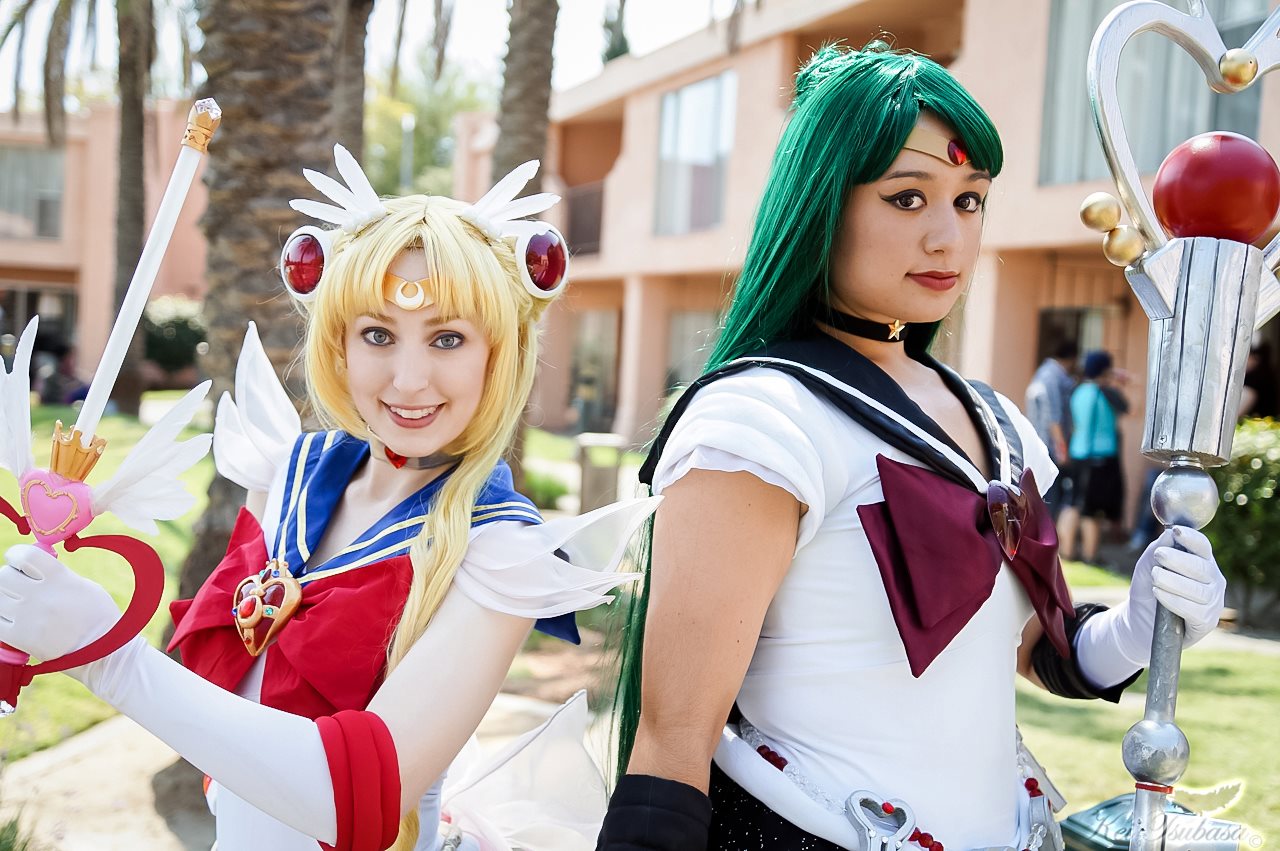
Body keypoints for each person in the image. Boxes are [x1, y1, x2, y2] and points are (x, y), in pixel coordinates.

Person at [593, 42, 1227, 851]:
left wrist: (1140, 624)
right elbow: (671, 746)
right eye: (906, 198)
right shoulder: (760, 422)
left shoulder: (996, 421)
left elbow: (1040, 650)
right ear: (821, 203)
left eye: (969, 200)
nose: (947, 237)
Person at [0, 147, 658, 851]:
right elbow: (230, 720)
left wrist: (110, 657)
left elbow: (357, 803)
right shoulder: (285, 475)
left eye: (448, 339)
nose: (409, 379)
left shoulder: (499, 552)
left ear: (499, 354)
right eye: (378, 334)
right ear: (339, 344)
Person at [1056, 350, 1125, 567]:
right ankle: (1090, 555)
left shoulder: (1078, 391)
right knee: (1092, 510)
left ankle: (1066, 551)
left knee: (1073, 502)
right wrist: (1130, 385)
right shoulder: (1106, 392)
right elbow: (1134, 410)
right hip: (1099, 457)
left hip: (1078, 452)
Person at [1025, 340, 1077, 516]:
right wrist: (1062, 449)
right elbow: (1053, 416)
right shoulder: (1054, 378)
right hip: (1050, 446)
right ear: (1072, 358)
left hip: (1038, 442)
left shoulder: (1041, 373)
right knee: (1051, 497)